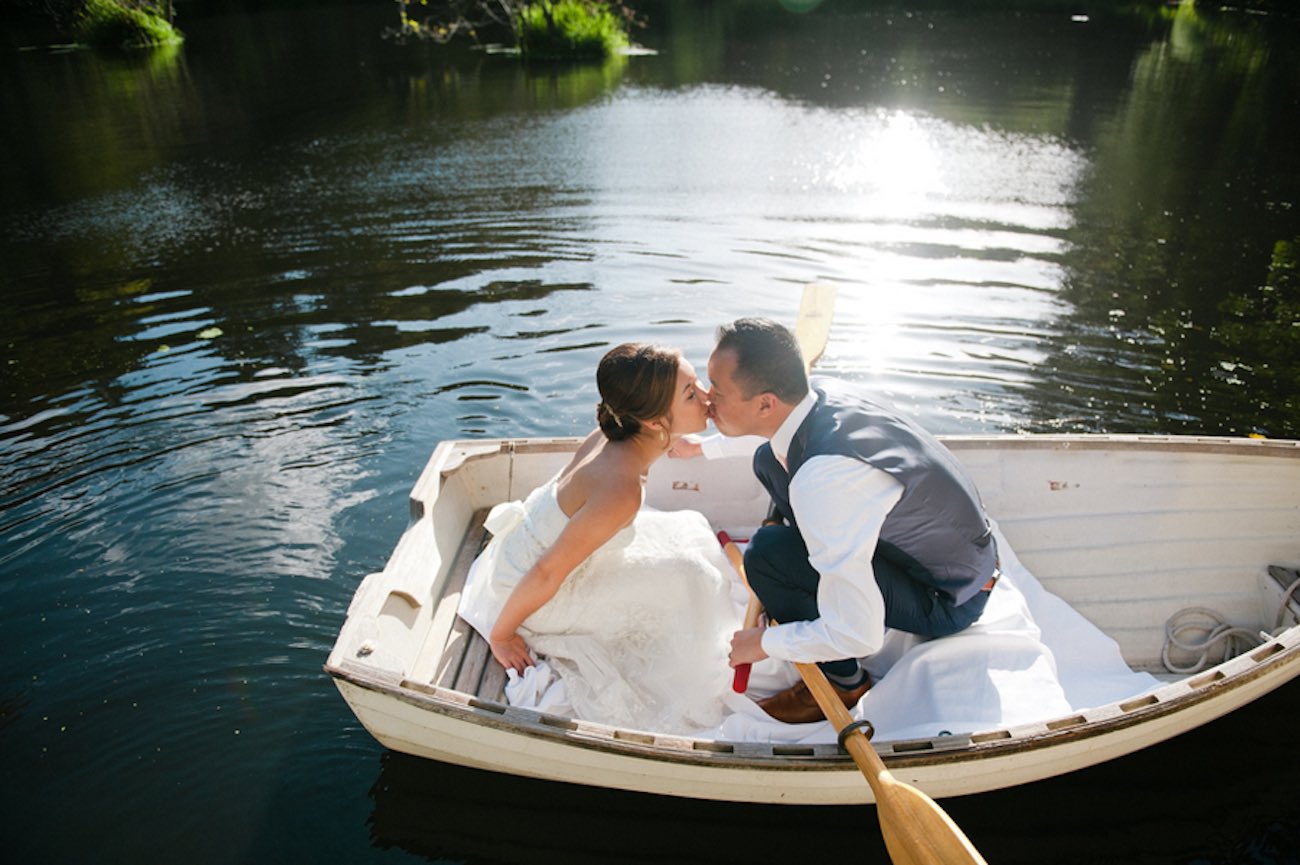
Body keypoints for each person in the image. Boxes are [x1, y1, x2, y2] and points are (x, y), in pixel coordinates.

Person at [705, 318, 1000, 724]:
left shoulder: (823, 480)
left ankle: (843, 683)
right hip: (960, 555)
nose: (706, 400)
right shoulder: (824, 393)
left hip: (950, 597)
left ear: (765, 404)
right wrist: (702, 451)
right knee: (767, 461)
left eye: (717, 392)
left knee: (766, 557)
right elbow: (773, 440)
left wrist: (765, 643)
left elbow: (859, 632)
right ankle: (804, 585)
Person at [457, 343, 743, 734]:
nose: (707, 397)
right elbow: (546, 572)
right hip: (535, 592)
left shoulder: (613, 434)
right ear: (656, 421)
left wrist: (687, 441)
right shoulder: (621, 491)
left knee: (690, 532)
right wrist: (502, 634)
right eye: (692, 393)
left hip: (519, 553)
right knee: (690, 578)